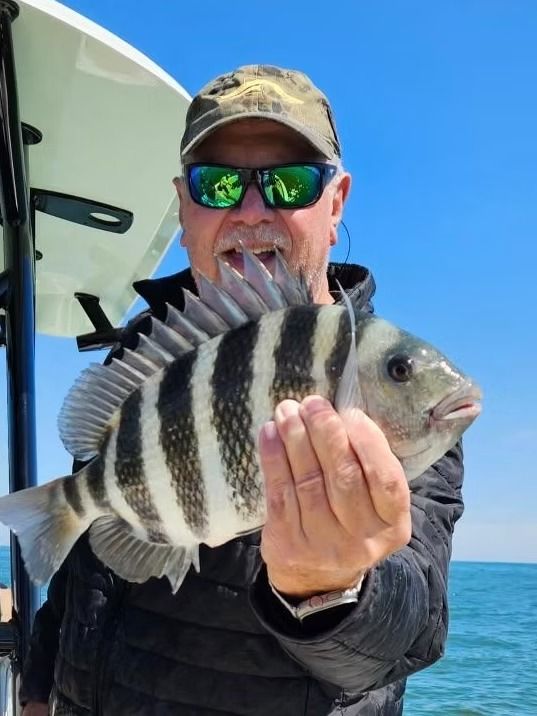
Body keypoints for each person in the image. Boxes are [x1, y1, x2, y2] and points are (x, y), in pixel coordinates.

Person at [20, 65, 464, 715]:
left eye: (289, 182)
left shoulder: (388, 388)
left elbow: (405, 633)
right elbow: (81, 577)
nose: (252, 211)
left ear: (334, 204)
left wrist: (330, 589)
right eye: (219, 182)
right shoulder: (141, 366)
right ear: (184, 205)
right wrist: (36, 694)